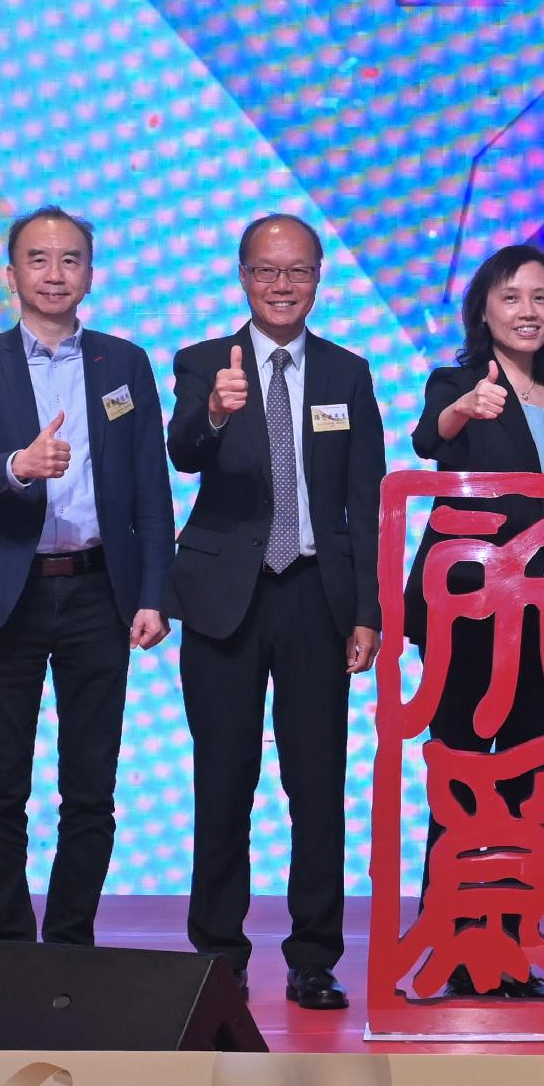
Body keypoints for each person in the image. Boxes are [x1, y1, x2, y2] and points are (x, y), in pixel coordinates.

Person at [0, 209, 173, 957]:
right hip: (8, 593)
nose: (54, 273)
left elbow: (149, 488)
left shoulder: (123, 364)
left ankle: (71, 943)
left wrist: (154, 593)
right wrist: (17, 468)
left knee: (90, 789)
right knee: (1, 786)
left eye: (70, 260)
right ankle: (8, 945)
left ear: (90, 275)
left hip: (100, 592)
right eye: (37, 260)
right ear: (11, 276)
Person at [165, 213, 375, 1006]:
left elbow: (365, 494)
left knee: (316, 785)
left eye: (297, 272)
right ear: (243, 277)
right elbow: (182, 451)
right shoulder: (200, 363)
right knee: (225, 781)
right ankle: (218, 953)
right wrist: (217, 412)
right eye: (265, 271)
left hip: (318, 597)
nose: (281, 286)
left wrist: (369, 611)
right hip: (227, 599)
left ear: (318, 278)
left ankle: (314, 956)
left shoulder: (348, 373)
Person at [406, 241, 544, 1000]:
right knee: (459, 773)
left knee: (524, 785)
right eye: (512, 296)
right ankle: (452, 946)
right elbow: (428, 437)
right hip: (469, 614)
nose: (528, 311)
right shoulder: (458, 382)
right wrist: (460, 410)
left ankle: (511, 945)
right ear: (482, 309)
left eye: (541, 298)